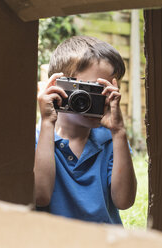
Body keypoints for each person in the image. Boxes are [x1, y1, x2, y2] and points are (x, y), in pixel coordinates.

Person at [34, 36, 137, 224]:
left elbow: (124, 201)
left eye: (105, 91)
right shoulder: (38, 139)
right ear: (58, 87)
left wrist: (119, 132)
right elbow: (40, 196)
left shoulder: (111, 140)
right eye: (90, 90)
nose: (100, 100)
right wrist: (47, 122)